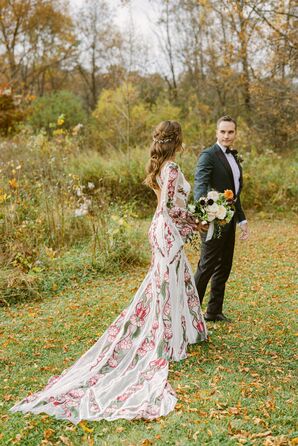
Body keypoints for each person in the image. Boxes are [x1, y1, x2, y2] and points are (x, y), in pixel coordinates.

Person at [10, 120, 207, 424]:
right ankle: (166, 340)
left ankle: (184, 331)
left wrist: (191, 222)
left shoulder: (162, 167)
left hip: (161, 230)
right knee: (166, 286)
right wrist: (197, 220)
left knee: (174, 281)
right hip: (166, 230)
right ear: (178, 139)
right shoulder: (171, 168)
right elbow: (169, 207)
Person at [194, 115, 249, 322]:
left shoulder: (233, 157)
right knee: (206, 265)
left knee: (224, 265)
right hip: (213, 221)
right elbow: (200, 184)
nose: (227, 135)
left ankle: (213, 311)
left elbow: (234, 193)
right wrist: (202, 215)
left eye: (231, 132)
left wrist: (241, 220)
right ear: (216, 132)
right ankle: (190, 313)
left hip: (229, 220)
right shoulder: (208, 155)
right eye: (223, 131)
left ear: (235, 133)